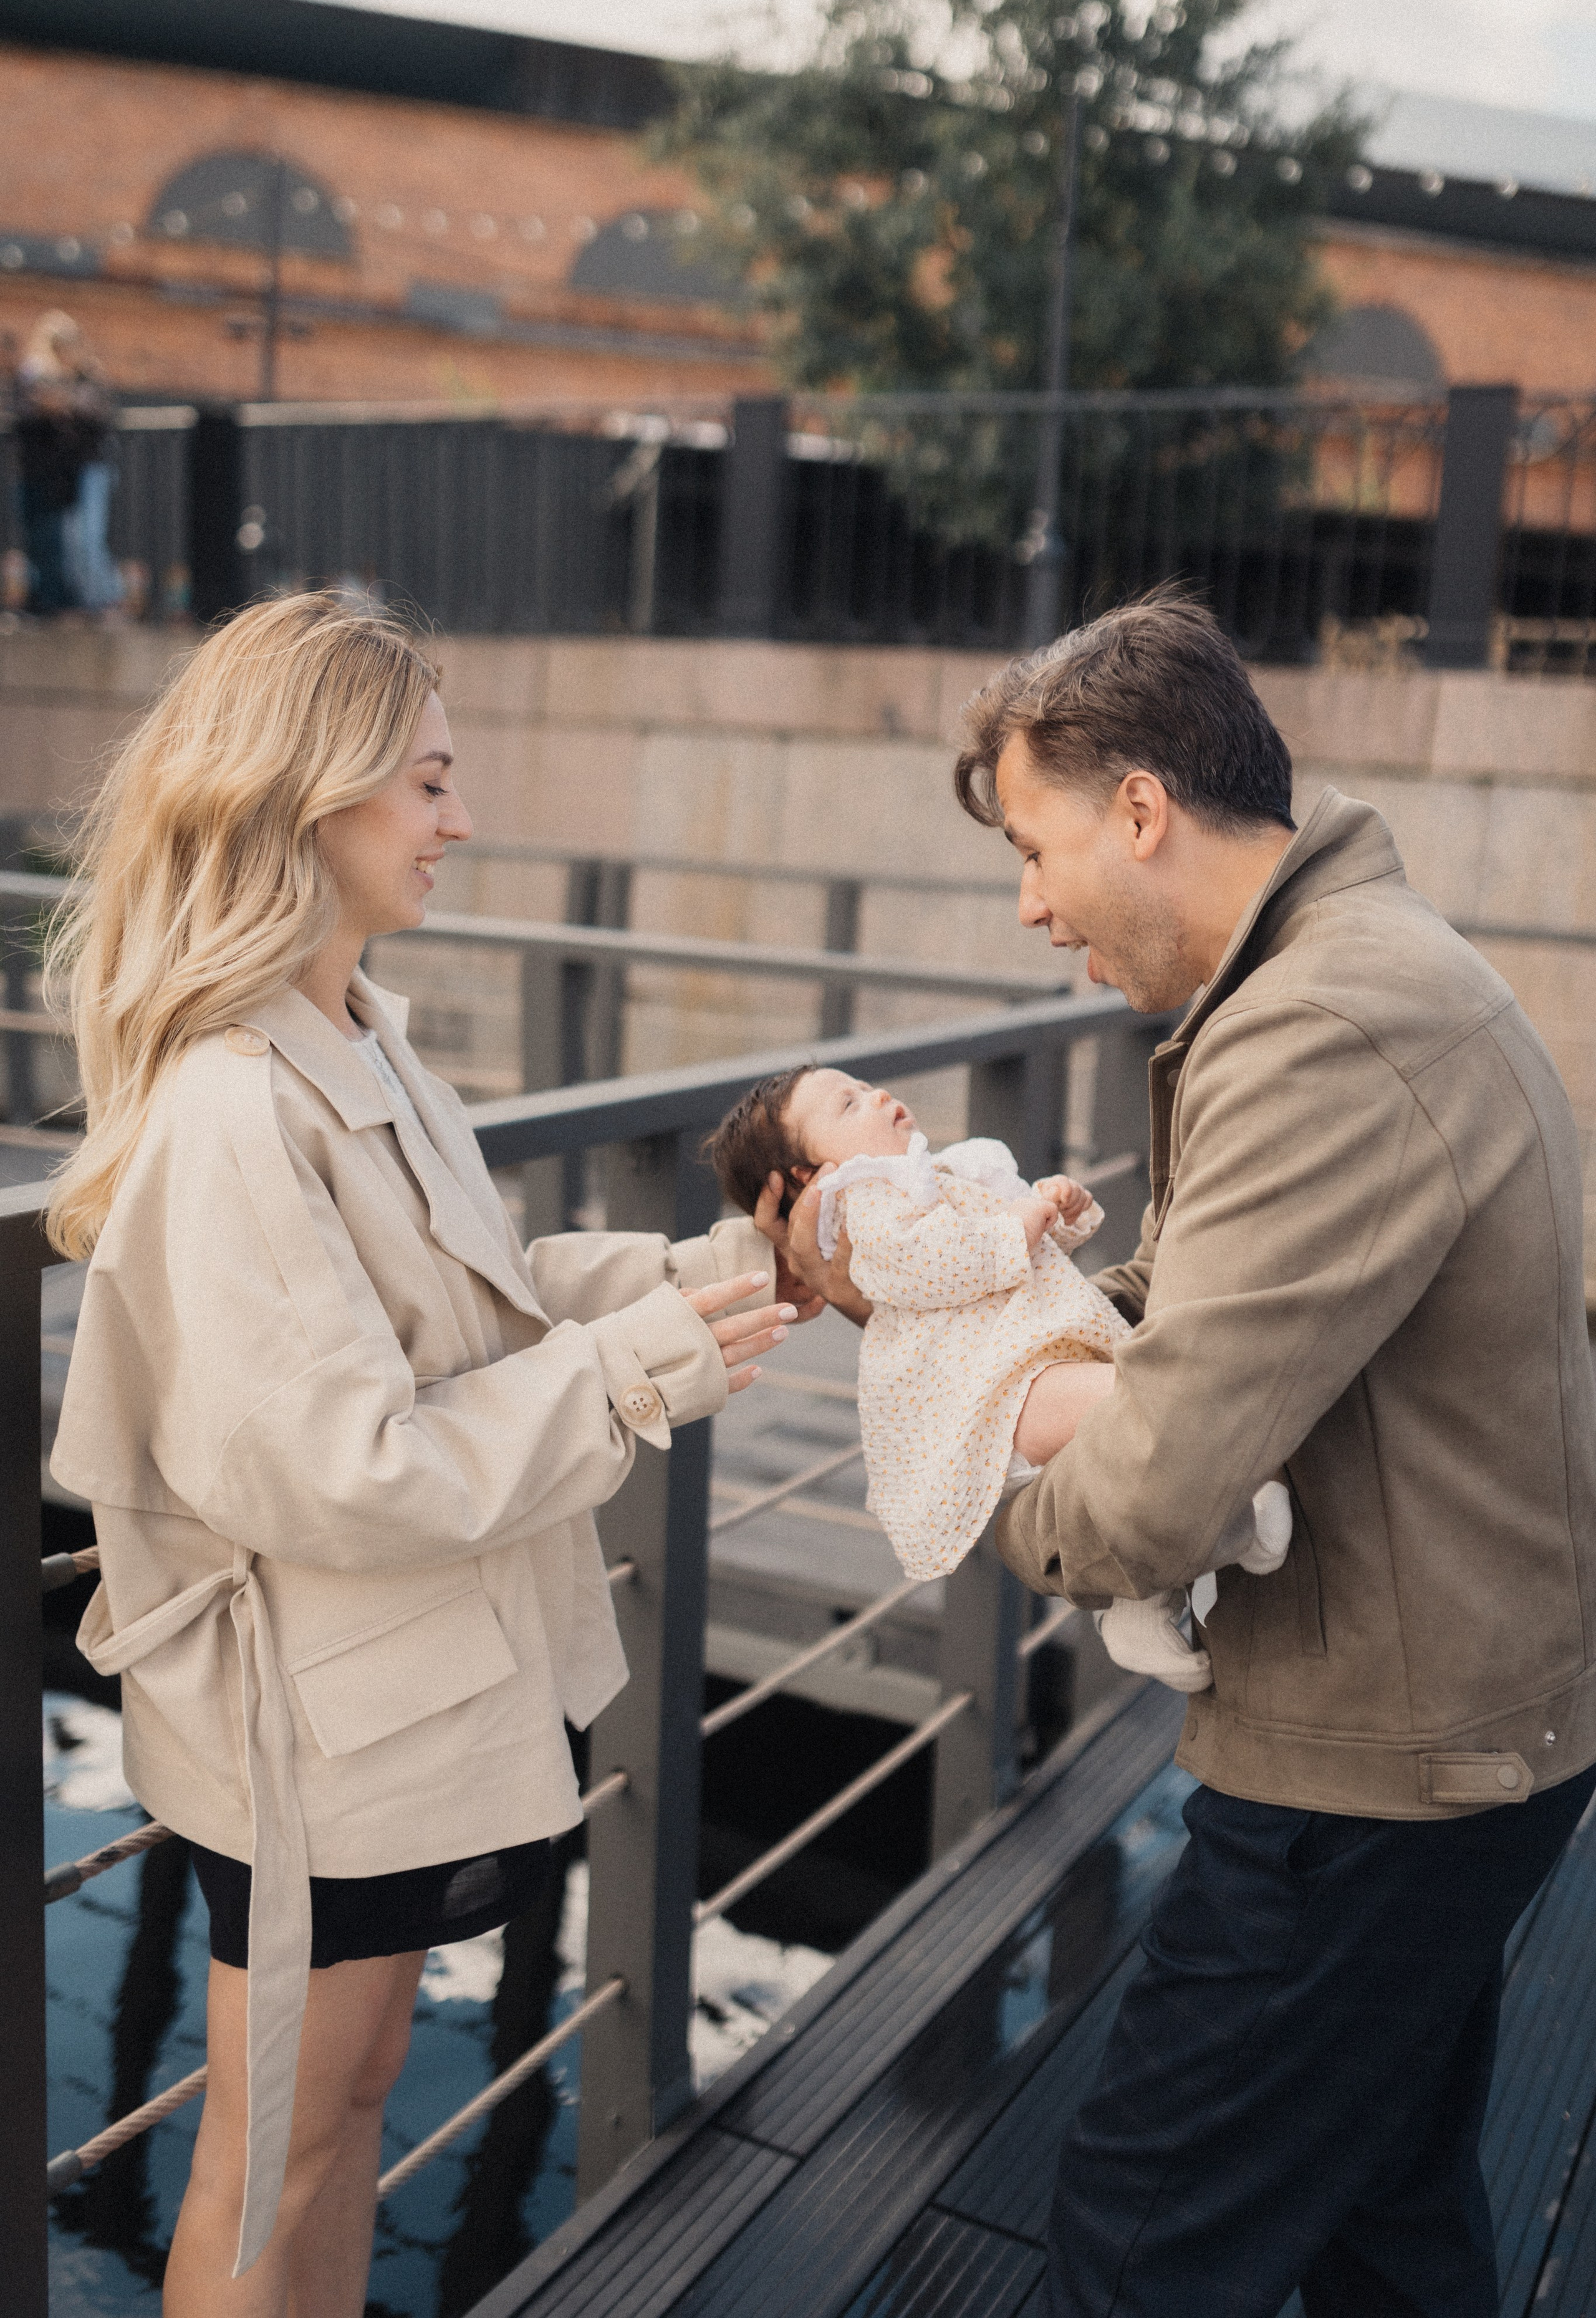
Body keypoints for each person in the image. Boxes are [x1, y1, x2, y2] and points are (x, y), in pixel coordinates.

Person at [762, 590, 1596, 2318]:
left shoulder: (1321, 1027)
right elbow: (1217, 1304)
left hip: (1380, 1761)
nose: (1029, 902)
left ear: (1140, 808)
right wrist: (999, 1315)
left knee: (1141, 2239)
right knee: (1383, 2212)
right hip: (1457, 1718)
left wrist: (968, 1457)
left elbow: (1142, 1502)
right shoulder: (1342, 971)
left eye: (1036, 846)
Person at [46, 592, 803, 2317]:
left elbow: (469, 1302)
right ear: (309, 799)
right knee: (277, 2154)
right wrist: (643, 1363)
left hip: (385, 1702)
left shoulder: (356, 1034)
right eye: (430, 782)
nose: (459, 819)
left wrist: (721, 1277)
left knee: (341, 2117)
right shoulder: (237, 1103)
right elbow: (344, 1460)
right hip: (320, 1726)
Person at [708, 1063, 1289, 1688]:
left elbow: (1023, 1251)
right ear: (811, 1176)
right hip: (1003, 1400)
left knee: (1131, 1450)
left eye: (865, 1087)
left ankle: (1137, 1608)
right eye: (848, 1105)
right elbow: (942, 1261)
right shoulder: (867, 1207)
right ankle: (1248, 1493)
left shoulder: (939, 1177)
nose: (877, 1096)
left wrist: (1055, 1209)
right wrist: (1022, 1222)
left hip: (1031, 1368)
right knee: (1149, 1398)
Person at [12, 310, 115, 613]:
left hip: (87, 468)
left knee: (87, 539)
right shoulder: (35, 375)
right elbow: (24, 409)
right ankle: (75, 601)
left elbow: (98, 413)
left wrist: (64, 401)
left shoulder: (88, 377)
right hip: (52, 473)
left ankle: (104, 601)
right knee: (59, 542)